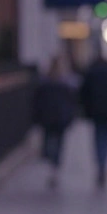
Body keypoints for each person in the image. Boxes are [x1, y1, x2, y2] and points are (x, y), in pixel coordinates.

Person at [79, 52, 107, 187]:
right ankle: (103, 163)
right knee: (105, 135)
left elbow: (84, 92)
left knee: (98, 135)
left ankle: (100, 163)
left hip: (95, 109)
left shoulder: (91, 72)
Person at [33, 55, 78, 189]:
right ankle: (55, 164)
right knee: (57, 142)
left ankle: (53, 163)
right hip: (59, 118)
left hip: (50, 118)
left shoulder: (48, 82)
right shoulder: (64, 83)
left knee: (51, 140)